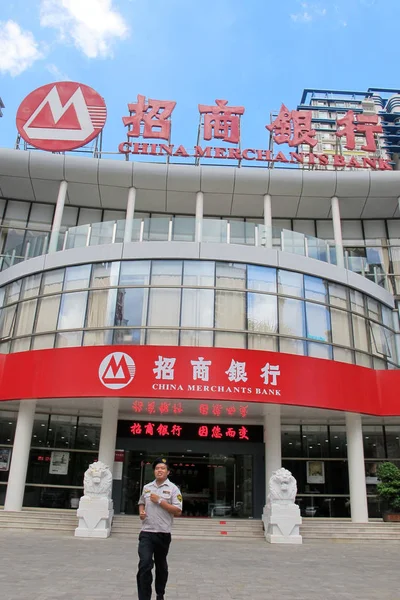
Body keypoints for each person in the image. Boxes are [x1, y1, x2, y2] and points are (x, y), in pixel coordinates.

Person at [137, 457, 183, 600]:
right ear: (154, 471)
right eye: (157, 468)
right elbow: (141, 502)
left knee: (161, 565)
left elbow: (178, 511)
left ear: (168, 472)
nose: (160, 470)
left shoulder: (173, 489)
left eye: (163, 468)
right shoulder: (147, 487)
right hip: (147, 532)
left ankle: (160, 594)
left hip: (163, 533)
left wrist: (160, 501)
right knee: (144, 564)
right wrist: (141, 512)